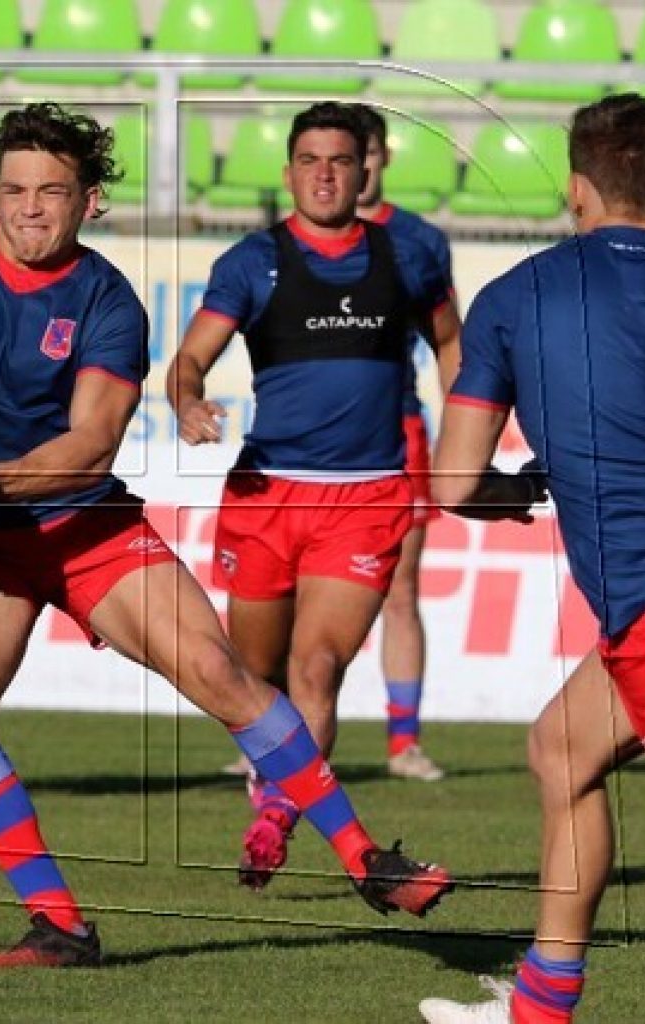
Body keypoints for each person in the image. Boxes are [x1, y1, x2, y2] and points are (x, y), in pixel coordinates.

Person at [0, 102, 453, 968]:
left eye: (51, 191)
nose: (28, 208)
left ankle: (369, 860)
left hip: (82, 523)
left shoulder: (106, 301)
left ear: (88, 201)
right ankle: (61, 926)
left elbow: (91, 440)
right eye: (13, 189)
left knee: (220, 674)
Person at [420, 93, 645, 1023]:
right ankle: (539, 1009)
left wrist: (517, 490)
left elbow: (455, 483)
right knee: (560, 750)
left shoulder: (514, 298)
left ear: (575, 191)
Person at [167, 101, 461, 890]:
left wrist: (472, 433)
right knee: (253, 675)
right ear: (290, 170)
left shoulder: (410, 257)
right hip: (268, 494)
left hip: (366, 495)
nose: (326, 174)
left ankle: (276, 813)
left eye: (340, 160)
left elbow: (452, 347)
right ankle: (282, 781)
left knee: (320, 666)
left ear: (365, 170)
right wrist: (187, 402)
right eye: (310, 161)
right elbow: (190, 358)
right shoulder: (250, 263)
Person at [356, 105, 454, 783]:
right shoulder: (290, 242)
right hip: (313, 443)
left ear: (382, 157)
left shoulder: (417, 241)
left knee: (400, 588)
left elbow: (451, 341)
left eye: (359, 155)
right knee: (297, 597)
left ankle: (403, 743)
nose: (349, 170)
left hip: (399, 431)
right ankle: (276, 741)